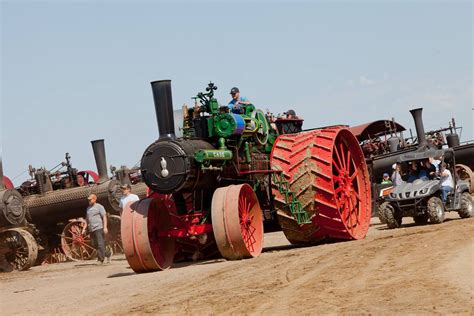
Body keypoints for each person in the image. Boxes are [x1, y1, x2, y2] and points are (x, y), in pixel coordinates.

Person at [82, 194, 110, 264]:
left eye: (90, 199)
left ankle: (100, 260)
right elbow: (87, 219)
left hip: (98, 227)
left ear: (94, 199)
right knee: (94, 244)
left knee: (100, 244)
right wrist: (84, 228)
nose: (89, 201)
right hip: (91, 229)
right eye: (88, 199)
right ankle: (108, 253)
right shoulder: (88, 208)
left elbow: (104, 217)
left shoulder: (99, 207)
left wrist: (105, 227)